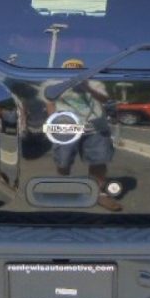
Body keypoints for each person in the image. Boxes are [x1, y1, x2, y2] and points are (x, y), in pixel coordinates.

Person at [46, 58, 122, 212]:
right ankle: (63, 189)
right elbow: (50, 102)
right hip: (66, 126)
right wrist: (53, 124)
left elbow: (105, 99)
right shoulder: (54, 83)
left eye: (77, 70)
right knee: (63, 160)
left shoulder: (94, 83)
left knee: (99, 160)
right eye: (69, 70)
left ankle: (98, 193)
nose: (73, 73)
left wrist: (87, 87)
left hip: (94, 125)